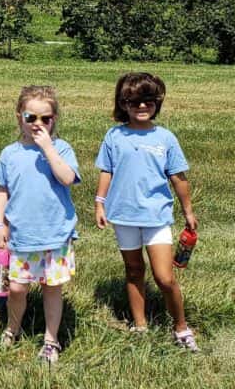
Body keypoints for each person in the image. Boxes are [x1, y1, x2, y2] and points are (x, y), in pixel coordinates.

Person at [95, 72, 199, 352]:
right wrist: (99, 202)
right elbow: (107, 169)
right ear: (123, 103)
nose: (142, 107)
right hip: (123, 215)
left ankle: (181, 327)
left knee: (165, 277)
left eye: (149, 101)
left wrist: (188, 210)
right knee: (133, 270)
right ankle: (140, 326)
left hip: (156, 216)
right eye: (134, 102)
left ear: (157, 103)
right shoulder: (114, 135)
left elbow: (178, 177)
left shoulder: (165, 137)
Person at [0, 86, 80, 364]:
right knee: (17, 288)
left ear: (55, 119)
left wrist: (48, 149)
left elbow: (67, 178)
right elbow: (2, 190)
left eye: (46, 118)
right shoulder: (9, 153)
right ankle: (13, 328)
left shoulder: (61, 148)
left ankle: (51, 340)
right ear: (19, 116)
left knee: (51, 289)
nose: (38, 125)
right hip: (22, 233)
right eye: (32, 118)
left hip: (55, 234)